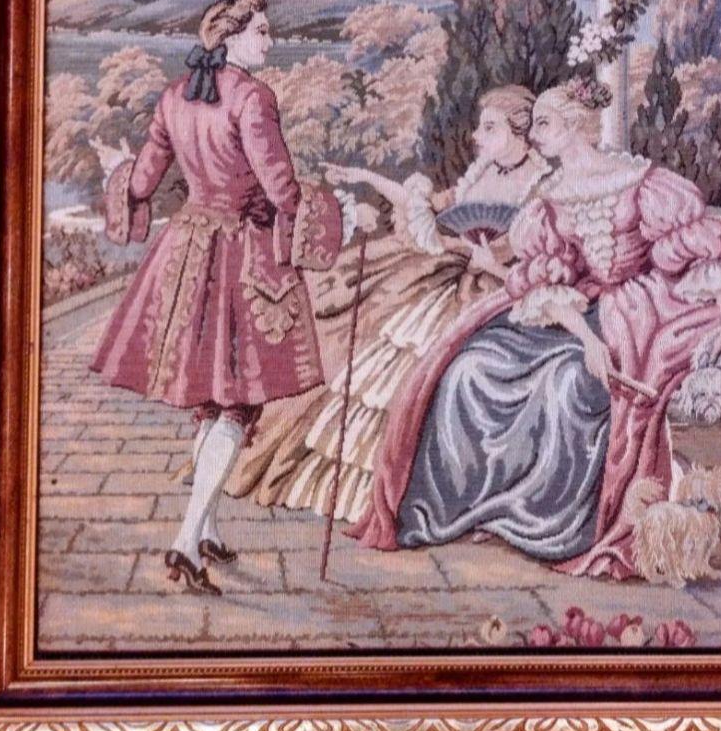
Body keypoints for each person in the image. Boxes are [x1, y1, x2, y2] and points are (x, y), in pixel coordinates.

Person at [347, 75, 721, 581]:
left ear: (574, 126)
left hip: (645, 310)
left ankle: (557, 528)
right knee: (470, 367)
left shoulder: (639, 181)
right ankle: (477, 507)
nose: (534, 136)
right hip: (582, 312)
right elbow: (552, 279)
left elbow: (700, 252)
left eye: (544, 124)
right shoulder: (551, 199)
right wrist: (588, 338)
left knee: (569, 384)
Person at [90, 0, 377, 595]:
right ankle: (184, 539)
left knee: (210, 400)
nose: (270, 42)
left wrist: (116, 174)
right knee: (236, 406)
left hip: (186, 251)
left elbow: (141, 181)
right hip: (242, 258)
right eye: (262, 32)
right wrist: (342, 215)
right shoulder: (252, 98)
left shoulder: (175, 96)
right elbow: (282, 189)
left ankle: (207, 528)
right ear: (231, 38)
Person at [231, 85, 550, 524]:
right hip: (446, 274)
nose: (477, 136)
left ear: (521, 132)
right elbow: (425, 208)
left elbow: (515, 255)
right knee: (357, 322)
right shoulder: (481, 172)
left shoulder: (539, 187)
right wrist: (366, 177)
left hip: (489, 292)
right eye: (481, 126)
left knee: (419, 366)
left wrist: (466, 251)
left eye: (490, 128)